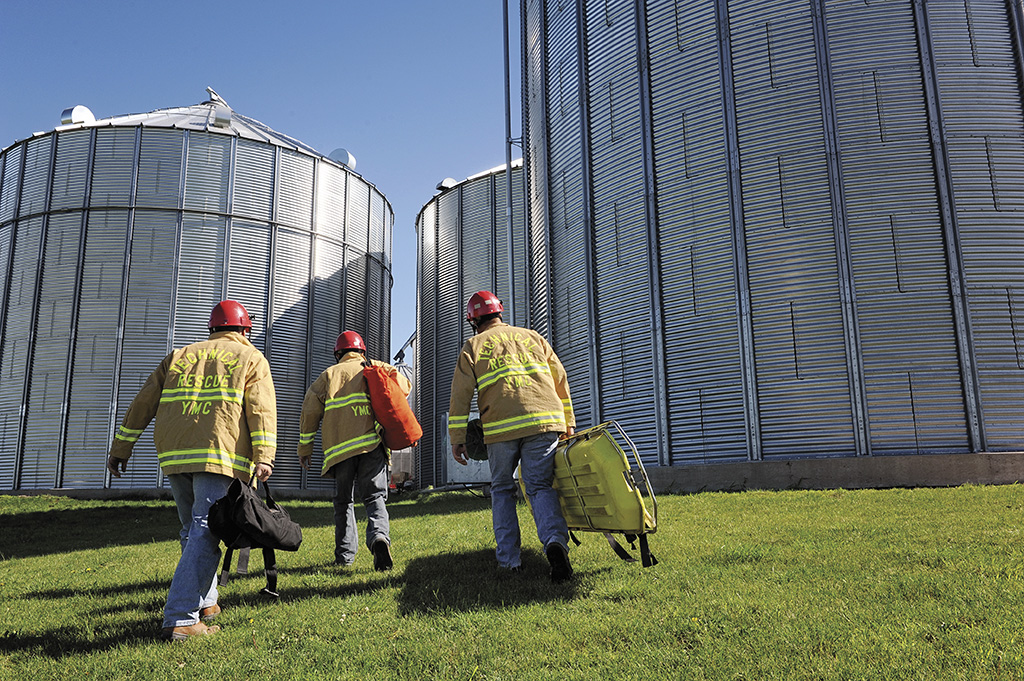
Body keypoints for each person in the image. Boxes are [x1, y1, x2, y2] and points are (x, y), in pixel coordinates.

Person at [106, 300, 277, 641]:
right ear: (245, 329)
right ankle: (182, 617)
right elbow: (261, 409)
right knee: (204, 531)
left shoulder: (179, 355)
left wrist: (121, 447)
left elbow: (144, 402)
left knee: (193, 530)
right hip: (218, 454)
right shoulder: (250, 357)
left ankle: (208, 602)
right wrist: (264, 456)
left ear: (212, 328)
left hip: (175, 456)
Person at [449, 290, 576, 582]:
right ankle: (555, 543)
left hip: (501, 428)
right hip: (544, 421)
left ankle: (510, 561)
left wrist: (458, 437)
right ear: (499, 313)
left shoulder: (473, 345)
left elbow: (460, 397)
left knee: (503, 491)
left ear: (473, 320)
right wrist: (568, 422)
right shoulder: (533, 337)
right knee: (540, 487)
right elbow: (560, 379)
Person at [298, 330, 411, 570]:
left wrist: (305, 448)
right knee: (375, 497)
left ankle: (345, 556)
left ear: (338, 353)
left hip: (340, 452)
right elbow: (404, 387)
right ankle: (379, 537)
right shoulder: (375, 366)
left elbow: (309, 414)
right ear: (362, 351)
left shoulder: (328, 375)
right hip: (371, 445)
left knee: (343, 503)